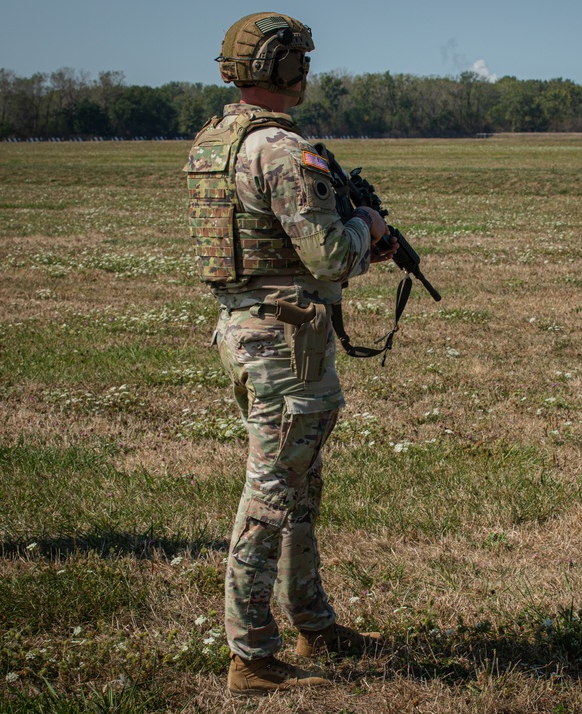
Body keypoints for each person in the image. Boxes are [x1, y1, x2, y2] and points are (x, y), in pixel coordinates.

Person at [185, 12, 396, 695]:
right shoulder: (279, 149)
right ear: (284, 68)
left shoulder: (215, 141)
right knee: (274, 492)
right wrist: (367, 226)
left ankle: (312, 619)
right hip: (285, 344)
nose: (306, 72)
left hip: (253, 330)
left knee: (300, 488)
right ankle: (250, 654)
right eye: (299, 60)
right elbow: (329, 255)